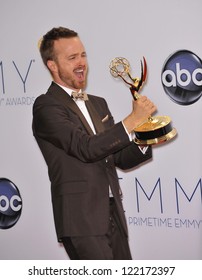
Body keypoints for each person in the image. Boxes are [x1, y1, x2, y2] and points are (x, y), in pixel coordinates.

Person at [32, 26, 157, 260]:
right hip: (81, 221)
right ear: (52, 65)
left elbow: (118, 157)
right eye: (72, 58)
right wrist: (131, 120)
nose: (81, 63)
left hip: (113, 215)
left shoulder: (98, 103)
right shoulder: (46, 106)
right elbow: (85, 148)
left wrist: (144, 135)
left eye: (83, 55)